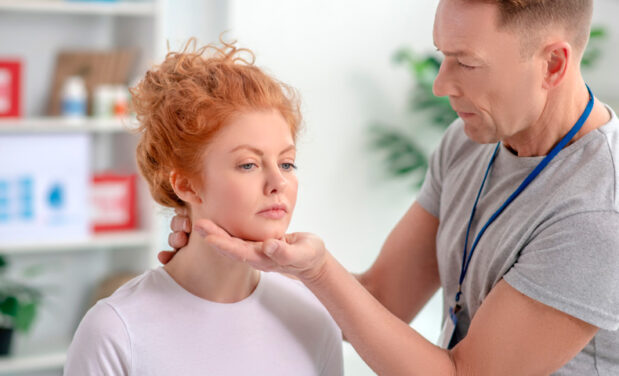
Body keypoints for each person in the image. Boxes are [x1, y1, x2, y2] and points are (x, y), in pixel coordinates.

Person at [165, 1, 619, 375]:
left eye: (467, 63)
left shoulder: (597, 212)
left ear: (553, 64)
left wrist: (317, 270)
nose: (442, 84)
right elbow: (382, 297)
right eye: (443, 55)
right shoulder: (467, 144)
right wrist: (238, 262)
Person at [64, 40, 343, 376]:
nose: (278, 183)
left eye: (286, 164)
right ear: (185, 184)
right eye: (248, 165)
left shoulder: (311, 316)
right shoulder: (115, 332)